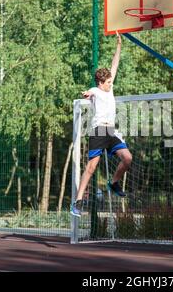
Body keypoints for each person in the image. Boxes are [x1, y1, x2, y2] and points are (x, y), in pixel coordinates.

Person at [71, 32, 132, 217]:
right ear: (100, 82)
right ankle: (78, 202)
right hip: (98, 132)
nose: (110, 84)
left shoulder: (109, 88)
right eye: (108, 82)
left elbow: (115, 64)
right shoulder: (96, 90)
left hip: (111, 132)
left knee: (127, 158)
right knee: (91, 168)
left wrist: (119, 46)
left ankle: (113, 183)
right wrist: (87, 94)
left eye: (111, 81)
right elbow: (88, 93)